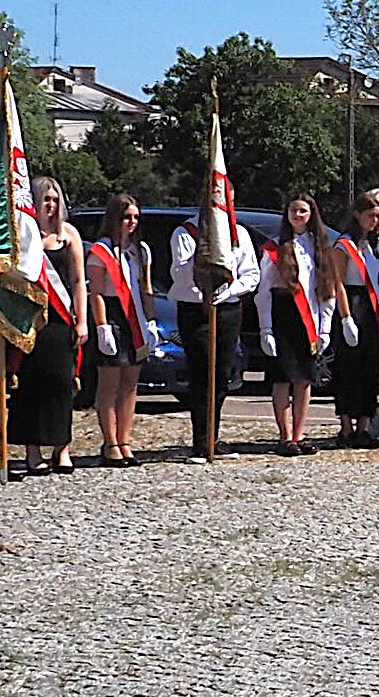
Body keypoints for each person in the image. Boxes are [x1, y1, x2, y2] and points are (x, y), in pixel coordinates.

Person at [168, 191, 259, 463]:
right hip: (196, 309)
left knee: (221, 375)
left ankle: (213, 439)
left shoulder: (239, 234)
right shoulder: (186, 233)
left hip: (228, 309)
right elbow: (180, 275)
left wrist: (229, 290)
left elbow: (251, 274)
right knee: (202, 373)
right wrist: (206, 265)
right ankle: (201, 442)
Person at [13, 178, 86, 476]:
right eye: (46, 199)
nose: (51, 205)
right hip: (31, 320)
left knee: (62, 384)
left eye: (55, 199)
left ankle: (62, 447)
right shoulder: (22, 234)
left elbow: (79, 281)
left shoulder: (68, 234)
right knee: (32, 385)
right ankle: (33, 450)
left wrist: (82, 320)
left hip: (61, 319)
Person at [258, 193, 335, 456]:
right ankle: (285, 436)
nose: (298, 215)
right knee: (282, 379)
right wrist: (265, 328)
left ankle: (299, 435)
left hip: (309, 317)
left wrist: (324, 328)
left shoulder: (319, 246)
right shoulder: (275, 247)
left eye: (303, 211)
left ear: (312, 214)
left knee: (304, 379)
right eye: (294, 210)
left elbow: (326, 290)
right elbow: (263, 292)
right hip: (283, 315)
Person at [85, 194, 152, 468]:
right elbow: (97, 293)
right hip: (112, 315)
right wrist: (102, 327)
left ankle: (125, 440)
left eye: (135, 217)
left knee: (130, 383)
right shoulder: (100, 252)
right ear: (114, 218)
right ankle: (110, 442)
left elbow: (146, 288)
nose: (131, 222)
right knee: (110, 384)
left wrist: (151, 321)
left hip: (135, 317)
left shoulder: (140, 251)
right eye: (126, 217)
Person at [327, 192, 379, 450]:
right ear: (357, 215)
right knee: (347, 369)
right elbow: (339, 284)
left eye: (378, 216)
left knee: (369, 368)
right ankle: (346, 426)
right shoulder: (344, 245)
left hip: (372, 307)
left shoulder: (376, 245)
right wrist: (346, 318)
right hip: (352, 304)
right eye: (370, 216)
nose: (374, 221)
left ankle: (364, 426)